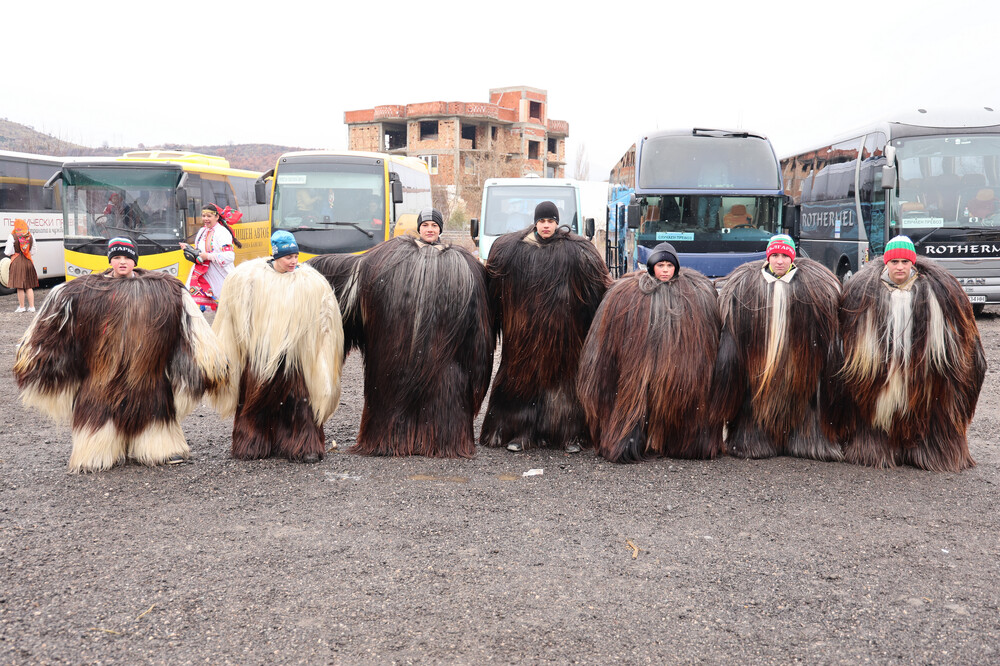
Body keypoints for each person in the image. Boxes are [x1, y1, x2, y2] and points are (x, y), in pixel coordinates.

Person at [14, 238, 228, 472]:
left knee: (153, 409)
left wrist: (209, 364)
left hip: (147, 374)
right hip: (99, 377)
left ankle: (158, 447)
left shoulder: (165, 289)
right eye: (117, 257)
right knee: (96, 439)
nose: (122, 262)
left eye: (127, 257)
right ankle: (101, 449)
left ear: (135, 260)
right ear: (110, 260)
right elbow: (51, 327)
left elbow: (190, 327)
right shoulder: (83, 291)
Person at [308, 208, 494, 458]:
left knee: (441, 394)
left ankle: (438, 441)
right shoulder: (392, 256)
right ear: (419, 228)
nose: (430, 229)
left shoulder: (462, 262)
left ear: (441, 229)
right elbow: (355, 271)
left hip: (443, 353)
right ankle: (394, 440)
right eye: (426, 225)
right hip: (399, 352)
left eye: (434, 225)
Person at [836, 235, 985, 471]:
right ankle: (879, 446)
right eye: (894, 262)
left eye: (905, 262)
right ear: (886, 263)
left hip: (923, 380)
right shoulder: (865, 293)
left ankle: (926, 449)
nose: (900, 267)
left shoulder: (935, 292)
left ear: (912, 263)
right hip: (881, 377)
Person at [480, 201, 612, 454]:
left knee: (566, 384)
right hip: (524, 336)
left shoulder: (576, 251)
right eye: (542, 221)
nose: (546, 226)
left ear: (557, 222)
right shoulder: (513, 250)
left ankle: (571, 434)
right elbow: (493, 288)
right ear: (536, 222)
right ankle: (520, 432)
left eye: (551, 221)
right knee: (521, 384)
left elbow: (598, 288)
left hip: (565, 335)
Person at [578, 242, 723, 462]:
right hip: (640, 366)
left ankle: (676, 442)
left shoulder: (696, 294)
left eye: (669, 265)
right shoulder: (627, 294)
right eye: (660, 265)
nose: (665, 270)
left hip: (678, 365)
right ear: (651, 267)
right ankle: (637, 441)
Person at [211, 230, 344, 464]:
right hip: (260, 356)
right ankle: (252, 442)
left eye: (296, 256)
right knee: (255, 401)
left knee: (300, 402)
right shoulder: (249, 278)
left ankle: (303, 445)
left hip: (296, 358)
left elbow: (326, 319)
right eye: (288, 257)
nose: (293, 261)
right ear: (275, 256)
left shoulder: (311, 282)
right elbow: (233, 317)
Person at [712, 234, 844, 461]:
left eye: (784, 256)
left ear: (792, 258)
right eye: (775, 255)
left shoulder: (814, 289)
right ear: (768, 257)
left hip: (799, 367)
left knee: (802, 402)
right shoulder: (746, 287)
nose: (780, 261)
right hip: (758, 366)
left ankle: (803, 440)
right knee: (755, 402)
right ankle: (755, 440)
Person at [179, 203, 243, 311]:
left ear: (217, 217)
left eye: (209, 216)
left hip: (219, 275)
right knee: (191, 304)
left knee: (224, 308)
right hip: (202, 274)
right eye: (204, 216)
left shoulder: (222, 232)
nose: (205, 219)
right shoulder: (202, 231)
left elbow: (229, 256)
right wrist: (189, 249)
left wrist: (207, 256)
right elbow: (200, 252)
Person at [5, 219, 38, 312]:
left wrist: (14, 253)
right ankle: (32, 307)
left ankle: (22, 307)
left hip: (17, 262)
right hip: (28, 261)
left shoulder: (12, 236)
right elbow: (34, 250)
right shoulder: (30, 235)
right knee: (29, 286)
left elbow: (8, 251)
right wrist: (27, 253)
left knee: (20, 286)